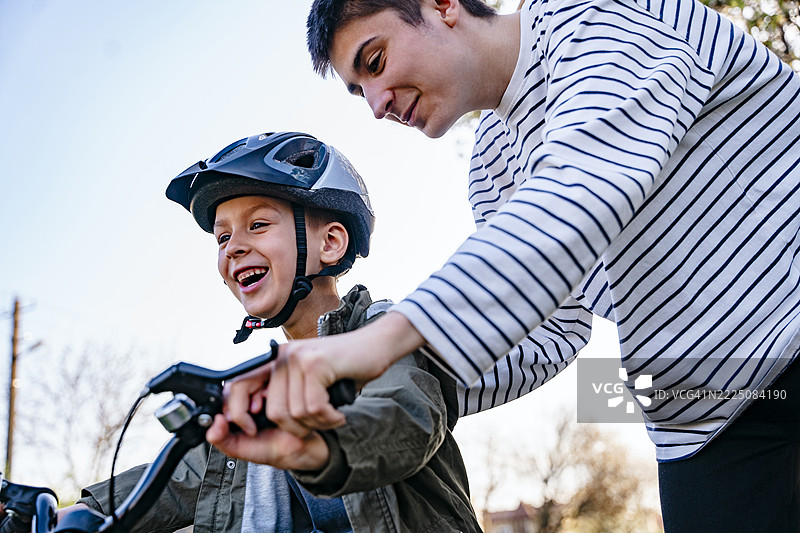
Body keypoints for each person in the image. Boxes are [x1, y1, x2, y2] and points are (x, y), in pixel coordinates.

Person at [208, 1, 800, 532]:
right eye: (360, 90)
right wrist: (376, 390)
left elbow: (581, 192)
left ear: (441, 6)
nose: (378, 104)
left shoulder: (595, 18)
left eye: (377, 59)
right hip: (700, 416)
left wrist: (378, 342)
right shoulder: (491, 165)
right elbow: (551, 330)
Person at [64, 131, 482, 533]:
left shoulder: (385, 333)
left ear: (330, 243)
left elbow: (406, 415)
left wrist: (316, 448)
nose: (232, 246)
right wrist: (84, 510)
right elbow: (177, 476)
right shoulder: (257, 392)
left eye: (258, 225)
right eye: (222, 236)